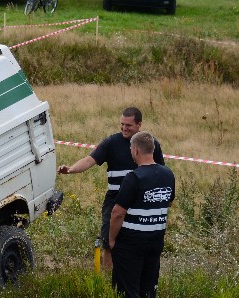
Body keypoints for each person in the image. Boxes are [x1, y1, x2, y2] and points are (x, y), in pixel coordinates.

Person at [57, 106, 164, 270]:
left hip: (140, 201)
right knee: (108, 241)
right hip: (115, 199)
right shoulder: (111, 142)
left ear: (139, 125)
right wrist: (71, 169)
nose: (124, 128)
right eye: (122, 124)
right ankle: (108, 278)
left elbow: (159, 172)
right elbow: (89, 160)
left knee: (138, 241)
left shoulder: (151, 144)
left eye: (128, 125)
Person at [108, 131, 175, 298]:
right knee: (149, 285)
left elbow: (117, 212)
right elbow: (168, 201)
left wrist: (112, 239)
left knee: (127, 288)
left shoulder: (133, 177)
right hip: (155, 239)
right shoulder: (168, 174)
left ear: (135, 150)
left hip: (131, 241)